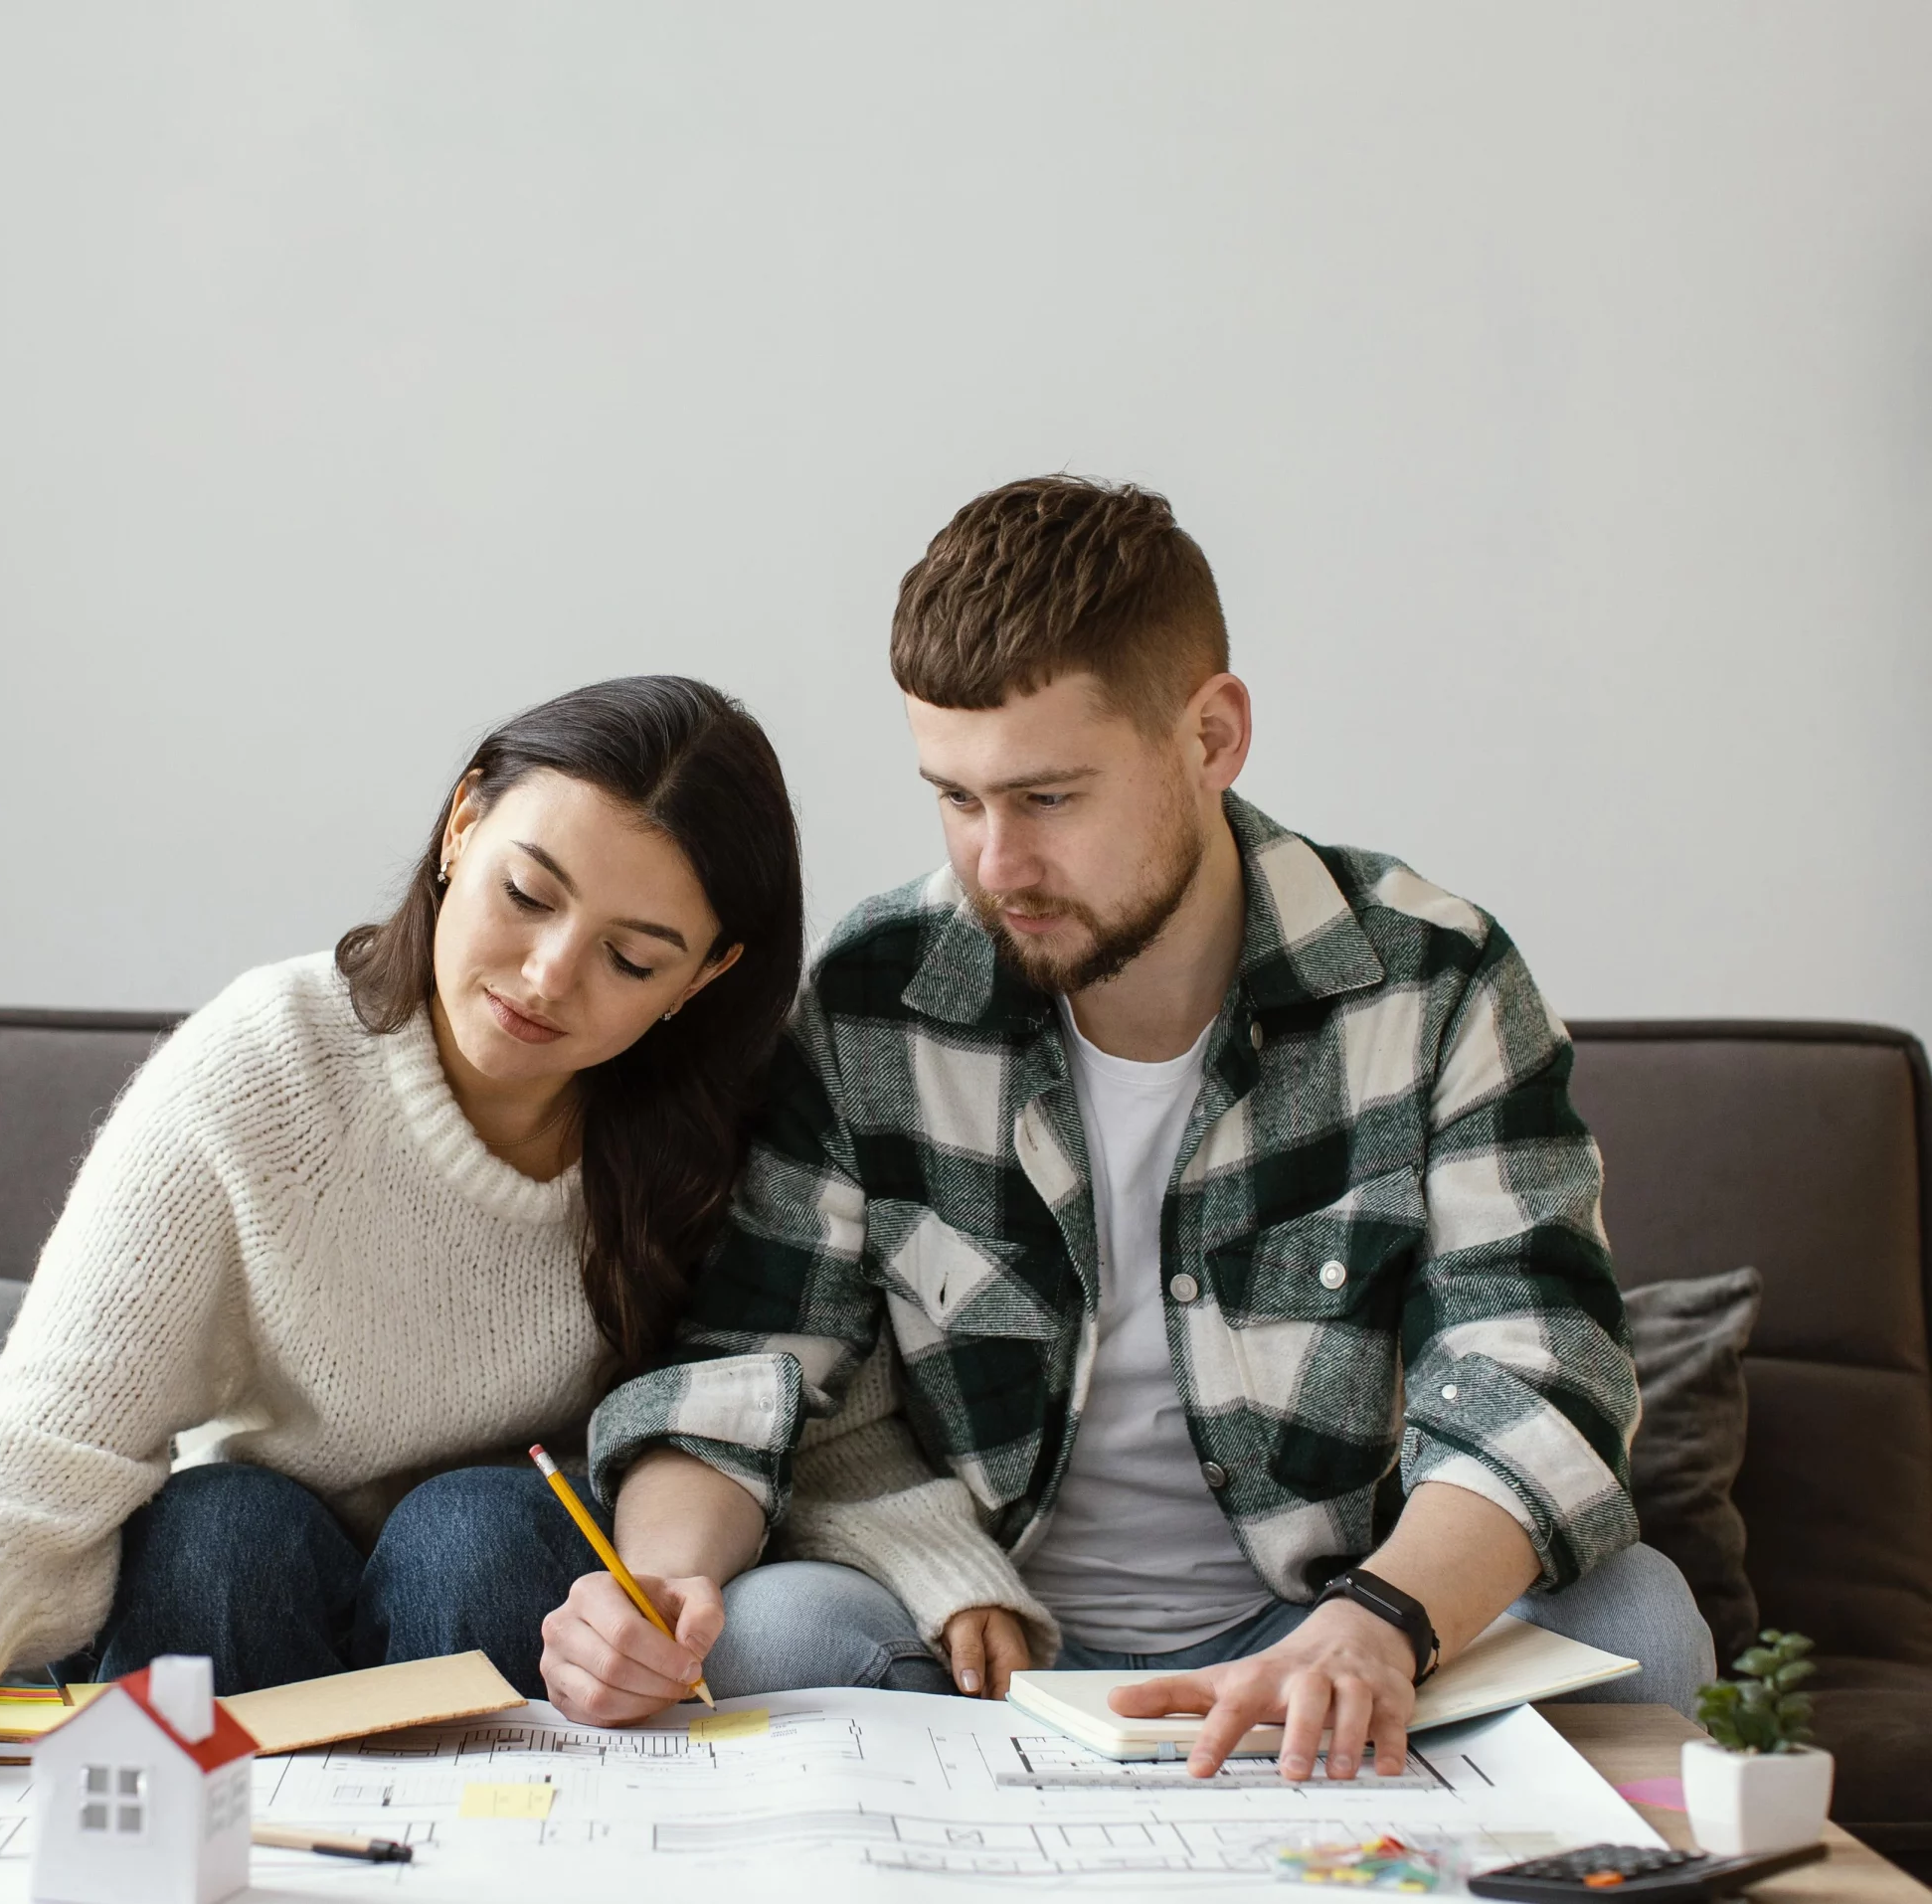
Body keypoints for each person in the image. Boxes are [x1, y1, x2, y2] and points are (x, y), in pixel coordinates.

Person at [545, 478, 1713, 1783]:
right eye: (956, 797)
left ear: (1212, 736)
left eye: (1047, 798)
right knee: (766, 1630)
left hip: (1327, 1611)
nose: (994, 864)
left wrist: (1380, 1618)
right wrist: (651, 1593)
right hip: (987, 1634)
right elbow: (752, 1357)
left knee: (1639, 1619)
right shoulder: (881, 988)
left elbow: (1539, 1364)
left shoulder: (1432, 978)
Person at [0, 676, 804, 1778]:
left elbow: (797, 1400)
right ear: (462, 824)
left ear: (704, 976)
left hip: (512, 1580)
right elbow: (54, 1420)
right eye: (526, 892)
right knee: (217, 1525)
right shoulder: (265, 1066)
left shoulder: (728, 1133)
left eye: (631, 959)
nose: (546, 975)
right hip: (247, 1576)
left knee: (469, 1526)